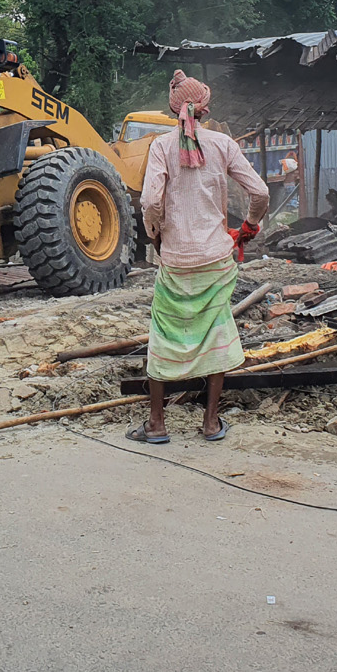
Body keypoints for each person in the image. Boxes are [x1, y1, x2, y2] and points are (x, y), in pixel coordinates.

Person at [129, 70, 268, 444]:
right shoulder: (223, 144)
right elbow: (260, 192)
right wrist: (249, 227)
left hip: (175, 260)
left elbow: (150, 201)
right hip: (216, 259)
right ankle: (210, 423)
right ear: (205, 108)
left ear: (174, 109)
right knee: (216, 334)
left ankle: (157, 425)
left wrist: (156, 234)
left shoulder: (160, 146)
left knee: (163, 337)